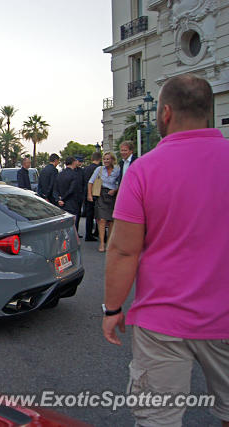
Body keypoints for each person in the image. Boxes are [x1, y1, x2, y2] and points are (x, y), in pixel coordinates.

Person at [102, 74, 229, 427]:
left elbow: (124, 251)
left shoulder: (143, 170)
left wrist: (112, 308)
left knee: (158, 419)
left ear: (166, 112)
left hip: (161, 323)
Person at [87, 152, 119, 252]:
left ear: (112, 160)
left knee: (111, 221)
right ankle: (101, 243)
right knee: (101, 220)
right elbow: (90, 182)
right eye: (104, 159)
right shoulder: (99, 169)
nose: (105, 161)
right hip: (101, 194)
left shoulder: (117, 170)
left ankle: (109, 243)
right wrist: (89, 195)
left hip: (113, 196)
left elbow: (122, 182)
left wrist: (115, 190)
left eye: (108, 159)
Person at [53, 157, 81, 231]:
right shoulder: (74, 175)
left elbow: (55, 189)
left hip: (61, 204)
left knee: (62, 226)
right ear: (73, 163)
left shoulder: (59, 174)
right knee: (72, 226)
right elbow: (72, 190)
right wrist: (63, 199)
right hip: (71, 202)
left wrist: (58, 199)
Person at [82, 152, 102, 242]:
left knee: (89, 216)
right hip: (97, 194)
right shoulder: (100, 169)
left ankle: (88, 234)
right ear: (100, 159)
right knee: (99, 215)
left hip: (87, 193)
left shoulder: (86, 169)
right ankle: (98, 232)